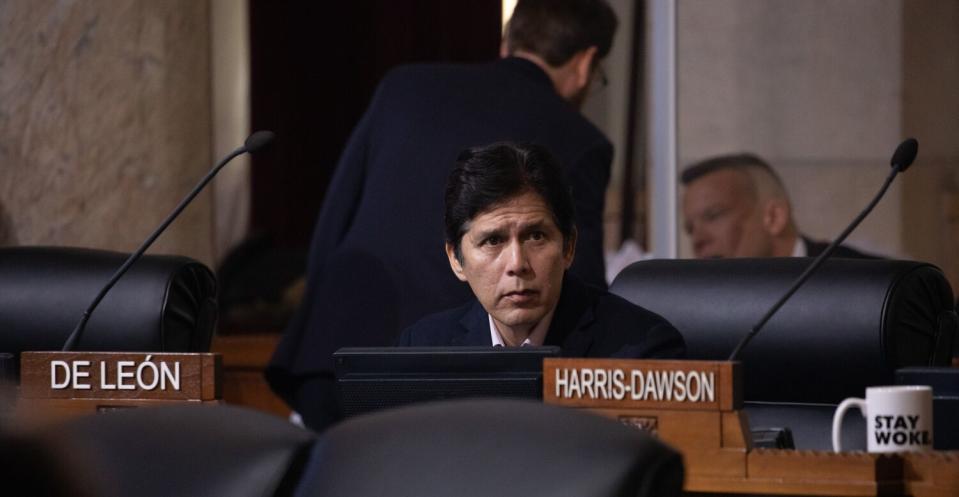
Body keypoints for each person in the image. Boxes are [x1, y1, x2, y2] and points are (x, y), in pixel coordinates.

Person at [268, 0, 621, 430]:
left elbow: (334, 220)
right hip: (462, 387)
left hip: (337, 358)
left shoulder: (404, 86)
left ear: (508, 41)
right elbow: (576, 281)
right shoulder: (579, 138)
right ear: (586, 64)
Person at [400, 142, 685, 359]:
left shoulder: (642, 349)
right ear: (456, 260)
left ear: (568, 247)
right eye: (493, 241)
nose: (517, 264)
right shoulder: (423, 349)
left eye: (536, 236)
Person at [681, 153, 877, 259]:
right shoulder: (703, 304)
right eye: (690, 229)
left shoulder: (863, 282)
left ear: (774, 217)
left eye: (713, 216)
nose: (698, 240)